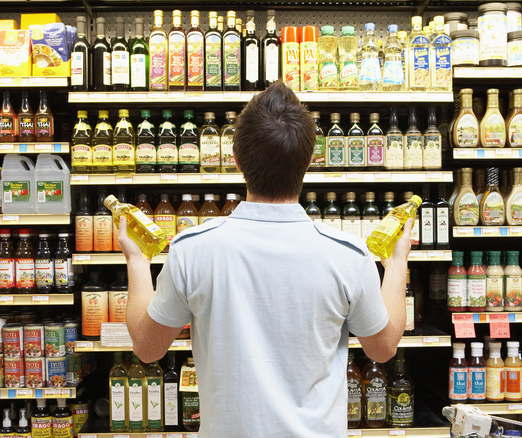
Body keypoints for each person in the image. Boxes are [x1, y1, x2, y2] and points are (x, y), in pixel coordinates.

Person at [115, 81, 411, 437]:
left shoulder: (193, 250)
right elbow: (383, 348)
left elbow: (147, 348)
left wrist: (136, 260)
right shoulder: (347, 255)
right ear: (309, 160)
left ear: (237, 159)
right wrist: (396, 264)